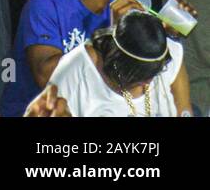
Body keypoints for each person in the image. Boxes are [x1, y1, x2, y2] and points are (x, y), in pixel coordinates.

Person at [50, 9, 192, 117]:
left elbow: (184, 111)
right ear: (121, 61)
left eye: (156, 72)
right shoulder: (76, 70)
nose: (149, 82)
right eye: (143, 75)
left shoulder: (170, 53)